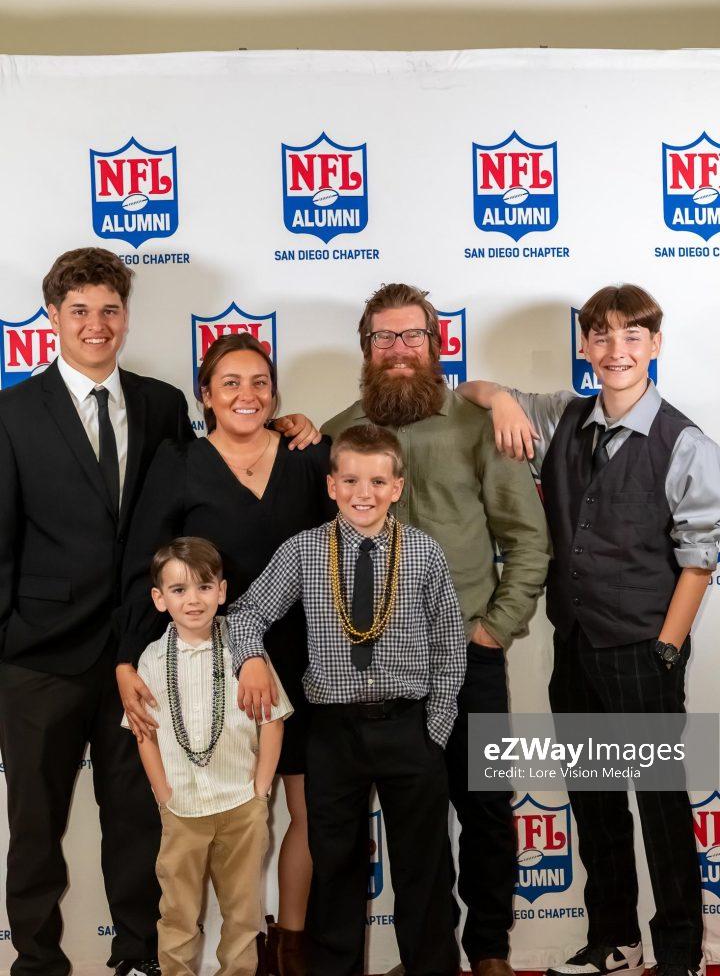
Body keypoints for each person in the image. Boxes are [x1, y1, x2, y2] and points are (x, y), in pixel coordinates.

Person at [458, 283, 720, 976]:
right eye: (601, 335)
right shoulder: (562, 415)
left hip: (643, 650)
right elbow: (471, 390)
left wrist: (666, 647)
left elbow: (699, 558)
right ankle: (614, 940)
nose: (616, 350)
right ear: (584, 345)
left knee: (660, 808)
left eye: (632, 335)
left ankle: (679, 953)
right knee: (595, 802)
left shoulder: (684, 442)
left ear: (655, 344)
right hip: (574, 646)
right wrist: (502, 399)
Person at [322, 283, 551, 976]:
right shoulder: (336, 435)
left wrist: (494, 630)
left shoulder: (482, 424)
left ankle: (490, 950)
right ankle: (430, 956)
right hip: (382, 673)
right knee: (414, 823)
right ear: (366, 348)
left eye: (411, 336)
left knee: (484, 809)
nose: (398, 350)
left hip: (470, 658)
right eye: (383, 338)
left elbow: (527, 539)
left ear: (436, 343)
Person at [0, 247, 194, 976]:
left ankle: (138, 955)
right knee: (35, 826)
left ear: (126, 315)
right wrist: (8, 643)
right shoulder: (12, 413)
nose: (96, 324)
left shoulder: (163, 405)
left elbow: (189, 510)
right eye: (79, 310)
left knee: (138, 818)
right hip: (39, 659)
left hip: (136, 652)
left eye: (109, 309)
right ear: (52, 317)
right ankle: (37, 962)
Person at [116, 331, 333, 976]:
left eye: (260, 382)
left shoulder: (307, 456)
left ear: (276, 395)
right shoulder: (179, 462)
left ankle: (288, 948)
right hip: (209, 673)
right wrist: (126, 659)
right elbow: (143, 564)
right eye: (230, 382)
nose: (247, 394)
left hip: (307, 664)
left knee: (306, 812)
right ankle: (207, 951)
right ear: (205, 395)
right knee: (219, 815)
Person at [228, 423, 466, 976]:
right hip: (333, 732)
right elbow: (246, 614)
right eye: (352, 480)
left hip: (409, 728)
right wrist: (252, 658)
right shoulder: (305, 550)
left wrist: (435, 728)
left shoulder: (424, 552)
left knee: (425, 871)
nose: (365, 493)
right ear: (332, 485)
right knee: (334, 867)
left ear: (397, 488)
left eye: (378, 482)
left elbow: (450, 644)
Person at [123, 536, 292, 976]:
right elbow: (144, 734)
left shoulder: (247, 652)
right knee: (177, 912)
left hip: (241, 805)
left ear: (222, 591)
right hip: (182, 810)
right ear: (159, 599)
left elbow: (272, 721)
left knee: (243, 912)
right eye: (178, 590)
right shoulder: (151, 659)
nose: (193, 600)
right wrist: (164, 795)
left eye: (203, 587)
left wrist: (260, 791)